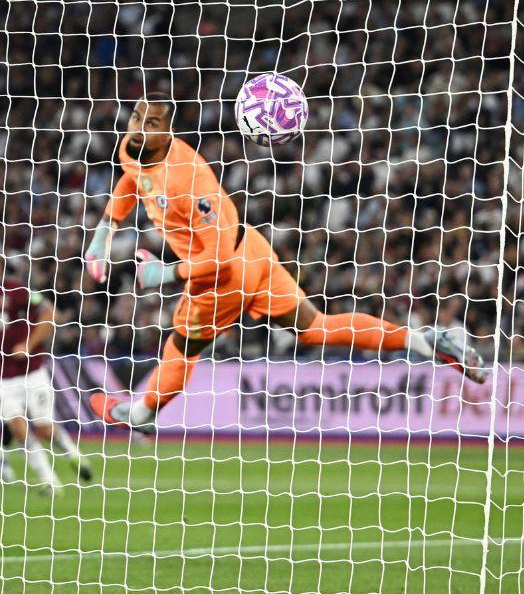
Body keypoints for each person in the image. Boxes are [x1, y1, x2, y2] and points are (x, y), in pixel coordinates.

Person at [84, 92, 488, 433]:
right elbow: (132, 179)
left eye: (151, 122)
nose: (139, 126)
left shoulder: (189, 180)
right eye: (137, 116)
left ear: (168, 131)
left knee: (183, 345)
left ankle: (139, 414)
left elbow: (219, 260)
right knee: (314, 327)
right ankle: (424, 341)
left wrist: (164, 273)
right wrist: (106, 229)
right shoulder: (133, 148)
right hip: (254, 252)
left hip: (223, 275)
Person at [0, 253, 91, 491]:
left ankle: (73, 453)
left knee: (43, 428)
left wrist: (29, 346)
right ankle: (50, 481)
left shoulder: (16, 290)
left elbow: (48, 312)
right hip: (0, 377)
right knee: (19, 428)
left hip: (32, 372)